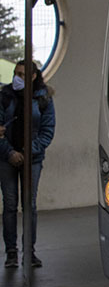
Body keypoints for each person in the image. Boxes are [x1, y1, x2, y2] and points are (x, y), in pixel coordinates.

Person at [1, 60, 55, 269]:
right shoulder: (4, 97)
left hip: (32, 160)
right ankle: (11, 253)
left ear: (33, 76)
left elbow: (47, 130)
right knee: (10, 205)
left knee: (29, 205)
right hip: (6, 159)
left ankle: (29, 252)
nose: (17, 78)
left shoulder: (43, 99)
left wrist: (28, 150)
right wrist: (10, 152)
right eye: (16, 73)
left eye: (22, 74)